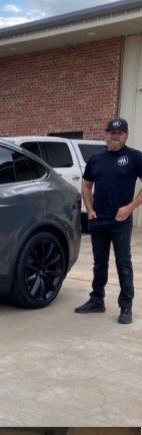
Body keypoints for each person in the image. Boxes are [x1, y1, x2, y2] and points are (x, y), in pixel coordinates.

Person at [74, 117, 142, 326]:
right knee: (99, 263)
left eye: (119, 133)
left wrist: (130, 207)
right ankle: (97, 301)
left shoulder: (135, 157)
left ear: (126, 135)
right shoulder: (96, 159)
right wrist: (90, 209)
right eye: (111, 132)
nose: (115, 136)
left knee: (123, 264)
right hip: (98, 220)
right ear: (107, 134)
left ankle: (126, 306)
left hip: (120, 220)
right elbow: (86, 185)